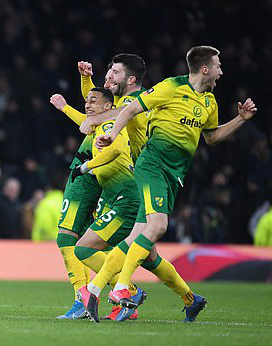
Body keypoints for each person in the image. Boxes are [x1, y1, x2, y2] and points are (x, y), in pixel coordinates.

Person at [96, 46, 257, 322]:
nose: (221, 71)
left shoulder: (209, 103)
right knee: (156, 226)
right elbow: (132, 108)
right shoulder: (171, 87)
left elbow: (212, 137)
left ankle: (190, 299)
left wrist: (240, 120)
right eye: (218, 65)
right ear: (205, 68)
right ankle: (114, 289)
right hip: (151, 166)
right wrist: (112, 134)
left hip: (174, 175)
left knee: (145, 248)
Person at [55, 88, 146, 323]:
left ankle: (91, 298)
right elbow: (89, 116)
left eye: (112, 74)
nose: (87, 104)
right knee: (96, 245)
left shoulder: (113, 119)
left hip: (88, 181)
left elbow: (101, 126)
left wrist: (85, 167)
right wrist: (67, 105)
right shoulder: (106, 119)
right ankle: (125, 292)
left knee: (67, 238)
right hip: (105, 185)